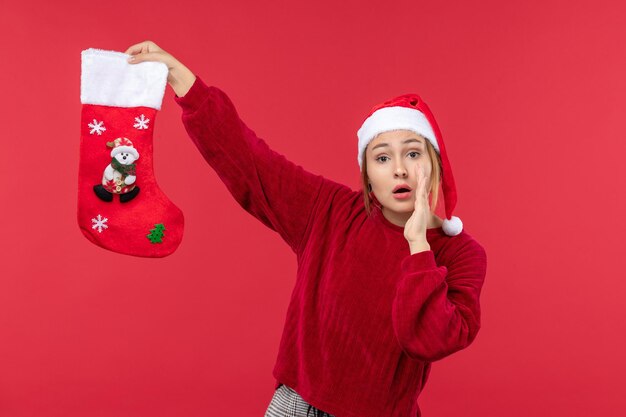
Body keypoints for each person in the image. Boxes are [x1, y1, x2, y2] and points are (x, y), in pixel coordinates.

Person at [125, 40, 487, 417]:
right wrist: (184, 82)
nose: (399, 169)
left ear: (435, 163)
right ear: (367, 175)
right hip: (296, 407)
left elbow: (432, 340)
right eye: (382, 157)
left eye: (412, 153)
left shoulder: (460, 253)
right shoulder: (328, 211)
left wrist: (418, 246)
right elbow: (250, 160)